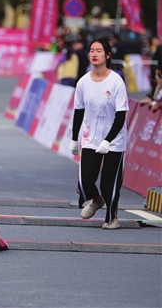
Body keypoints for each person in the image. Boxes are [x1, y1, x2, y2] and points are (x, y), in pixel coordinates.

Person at [70, 38, 129, 229]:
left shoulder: (116, 81)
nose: (94, 54)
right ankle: (96, 200)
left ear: (108, 55)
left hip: (114, 139)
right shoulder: (83, 82)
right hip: (90, 138)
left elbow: (120, 117)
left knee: (108, 184)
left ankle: (112, 219)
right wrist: (74, 138)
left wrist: (108, 140)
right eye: (92, 50)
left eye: (99, 51)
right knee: (85, 179)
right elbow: (78, 111)